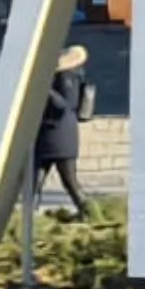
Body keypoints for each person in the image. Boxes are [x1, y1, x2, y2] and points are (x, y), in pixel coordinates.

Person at [35, 45, 93, 221]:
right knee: (34, 183)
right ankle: (29, 219)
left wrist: (45, 88)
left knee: (69, 181)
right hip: (47, 135)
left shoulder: (67, 77)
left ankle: (89, 213)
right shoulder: (66, 75)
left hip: (60, 136)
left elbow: (63, 105)